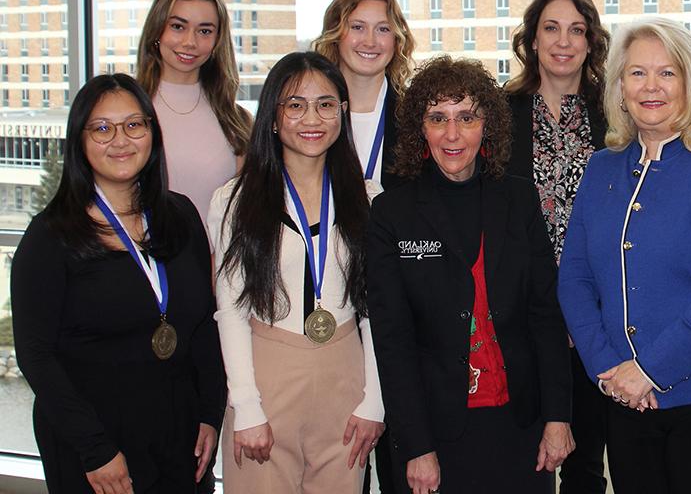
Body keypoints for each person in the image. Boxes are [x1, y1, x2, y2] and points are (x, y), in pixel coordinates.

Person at [560, 18, 691, 494]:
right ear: (619, 87)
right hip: (624, 393)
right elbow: (574, 277)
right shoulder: (602, 169)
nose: (651, 87)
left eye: (667, 73)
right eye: (637, 73)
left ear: (690, 84)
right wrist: (607, 370)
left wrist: (650, 371)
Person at [366, 55, 573, 494]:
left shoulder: (518, 199)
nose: (453, 134)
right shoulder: (391, 213)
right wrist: (416, 446)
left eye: (467, 117)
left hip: (519, 423)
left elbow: (545, 315)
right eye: (437, 117)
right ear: (420, 128)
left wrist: (558, 416)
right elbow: (392, 339)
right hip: (434, 431)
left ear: (488, 125)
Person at [12, 73, 225, 493]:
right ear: (80, 140)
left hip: (180, 432)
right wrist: (95, 450)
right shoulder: (51, 235)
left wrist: (209, 414)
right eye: (103, 128)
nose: (121, 140)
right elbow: (35, 355)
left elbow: (203, 325)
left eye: (134, 125)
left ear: (151, 132)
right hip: (96, 440)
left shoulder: (180, 216)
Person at [209, 52, 384, 493]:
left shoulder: (370, 199)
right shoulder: (235, 200)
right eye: (295, 105)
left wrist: (375, 404)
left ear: (342, 114)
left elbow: (379, 310)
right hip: (268, 375)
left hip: (346, 375)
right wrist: (245, 406)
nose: (313, 118)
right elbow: (230, 310)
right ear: (272, 116)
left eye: (326, 104)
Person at [504, 0, 611, 493]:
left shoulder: (615, 114)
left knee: (588, 462)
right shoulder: (501, 114)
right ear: (531, 39)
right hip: (524, 314)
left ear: (591, 42)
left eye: (576, 30)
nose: (563, 41)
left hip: (597, 314)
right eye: (551, 28)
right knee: (528, 460)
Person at [135, 0, 252, 222]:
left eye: (204, 31)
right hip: (143, 260)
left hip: (217, 260)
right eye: (178, 26)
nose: (190, 42)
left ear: (217, 40)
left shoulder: (237, 122)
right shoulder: (129, 111)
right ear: (157, 30)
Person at [313, 0, 417, 193]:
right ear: (336, 33)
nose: (370, 41)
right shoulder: (307, 115)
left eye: (383, 29)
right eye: (357, 27)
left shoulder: (415, 116)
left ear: (396, 39)